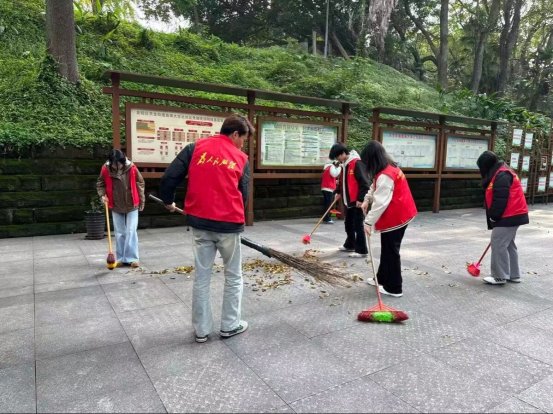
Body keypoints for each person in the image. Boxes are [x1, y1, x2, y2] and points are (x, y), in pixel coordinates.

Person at [159, 114, 253, 343]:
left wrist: (168, 201)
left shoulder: (195, 149)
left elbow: (169, 177)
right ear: (235, 134)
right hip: (229, 225)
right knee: (233, 276)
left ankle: (201, 330)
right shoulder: (241, 158)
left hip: (199, 222)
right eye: (243, 139)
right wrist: (236, 219)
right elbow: (244, 195)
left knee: (202, 277)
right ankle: (230, 325)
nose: (243, 144)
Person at [360, 141, 417, 298]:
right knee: (387, 248)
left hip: (397, 216)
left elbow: (381, 202)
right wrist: (366, 199)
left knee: (391, 251)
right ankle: (382, 278)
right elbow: (374, 186)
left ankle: (394, 287)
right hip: (400, 213)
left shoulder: (386, 174)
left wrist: (368, 222)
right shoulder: (386, 168)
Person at [476, 150, 529, 285]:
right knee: (508, 244)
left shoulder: (502, 175)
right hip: (514, 214)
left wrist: (494, 217)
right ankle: (513, 275)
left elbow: (500, 199)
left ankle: (499, 276)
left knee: (498, 243)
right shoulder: (502, 172)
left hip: (509, 215)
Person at [96, 149, 145, 268]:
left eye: (119, 163)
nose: (117, 166)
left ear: (123, 161)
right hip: (115, 203)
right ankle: (121, 258)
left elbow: (140, 183)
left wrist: (141, 200)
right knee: (119, 232)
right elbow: (100, 183)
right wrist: (102, 195)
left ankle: (132, 258)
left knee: (131, 231)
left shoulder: (132, 168)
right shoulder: (105, 169)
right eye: (114, 163)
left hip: (132, 203)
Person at [329, 143, 370, 258]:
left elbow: (365, 183)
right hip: (348, 201)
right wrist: (338, 191)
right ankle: (350, 244)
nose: (337, 159)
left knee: (358, 225)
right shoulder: (344, 164)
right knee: (348, 223)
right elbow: (342, 181)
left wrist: (361, 199)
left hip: (357, 201)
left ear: (343, 153)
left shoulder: (356, 163)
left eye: (337, 156)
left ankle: (362, 250)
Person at [321, 159, 342, 224]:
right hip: (328, 188)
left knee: (327, 204)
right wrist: (339, 168)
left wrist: (335, 181)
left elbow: (330, 177)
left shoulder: (326, 168)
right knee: (328, 204)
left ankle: (325, 218)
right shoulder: (331, 166)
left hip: (325, 187)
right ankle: (327, 218)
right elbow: (334, 174)